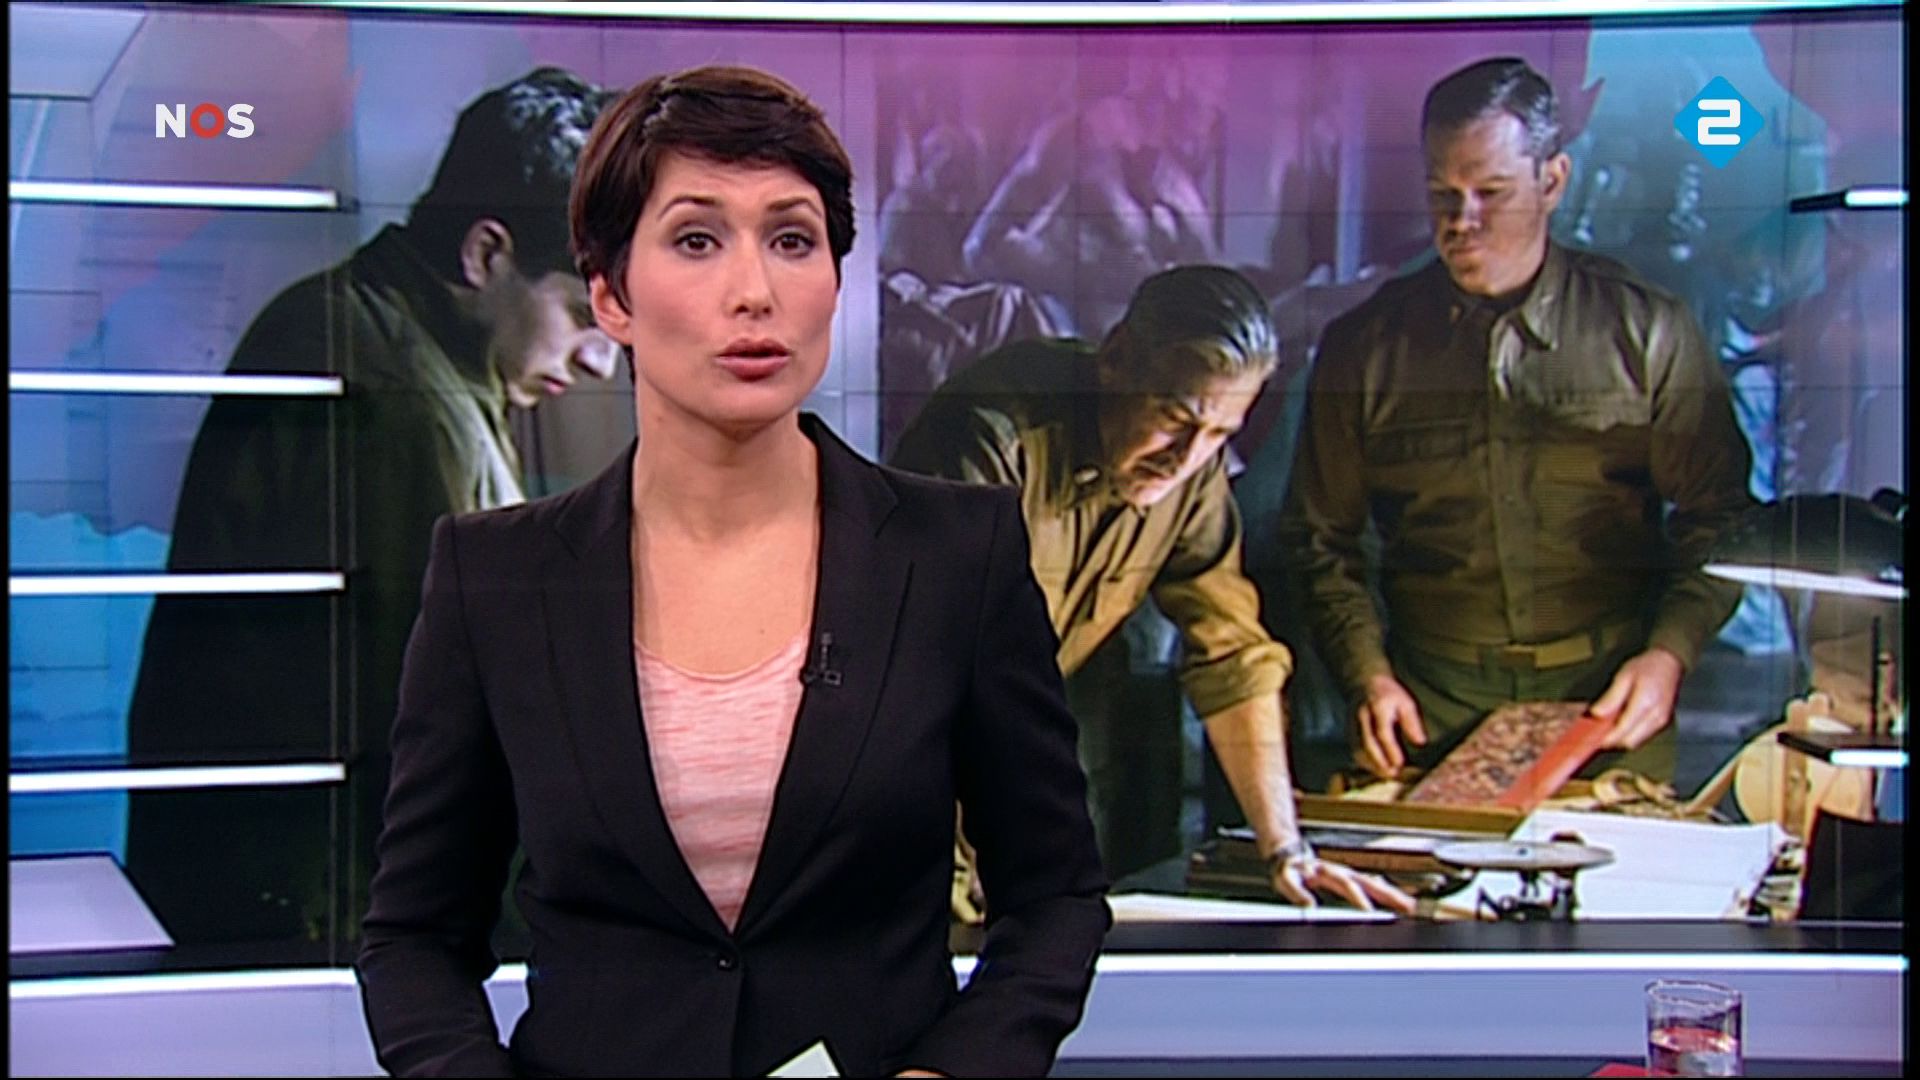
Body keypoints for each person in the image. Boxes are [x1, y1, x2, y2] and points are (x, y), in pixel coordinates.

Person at [355, 65, 1110, 1078]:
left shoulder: (956, 556)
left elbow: (1055, 898)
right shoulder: (495, 576)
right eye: (697, 240)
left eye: (792, 240)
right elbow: (414, 937)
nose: (755, 292)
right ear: (612, 294)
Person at [123, 67, 620, 947]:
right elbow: (446, 727)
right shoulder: (398, 398)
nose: (599, 363)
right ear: (486, 255)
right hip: (323, 925)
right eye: (582, 312)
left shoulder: (400, 349)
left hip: (310, 909)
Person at [1278, 57, 1754, 783]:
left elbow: (1722, 520)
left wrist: (1669, 654)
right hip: (1425, 716)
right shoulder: (1364, 349)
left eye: (1490, 193)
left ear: (1552, 181)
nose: (1460, 223)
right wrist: (1365, 673)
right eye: (1442, 195)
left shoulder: (1648, 331)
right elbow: (1318, 541)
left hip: (1609, 713)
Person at [889, 265, 1414, 914]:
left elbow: (1233, 655)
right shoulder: (988, 440)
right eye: (1174, 418)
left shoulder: (1192, 473)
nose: (1187, 459)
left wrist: (1285, 850)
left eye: (1220, 435)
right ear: (1117, 360)